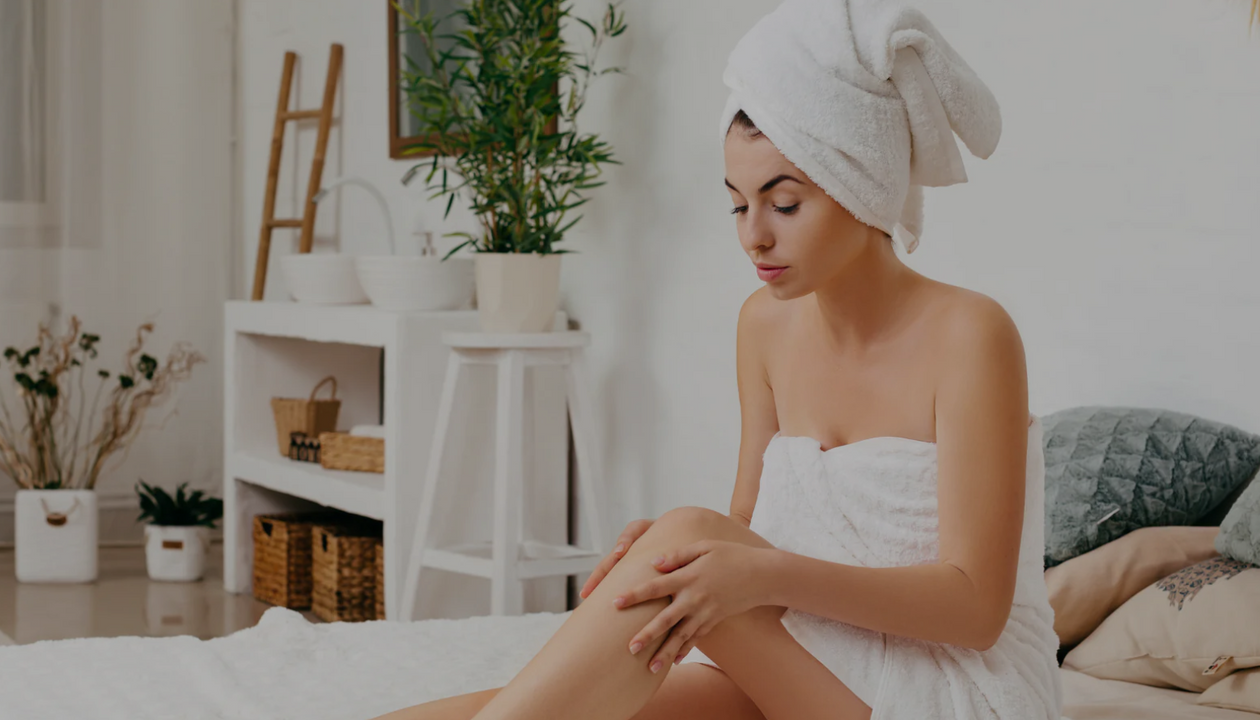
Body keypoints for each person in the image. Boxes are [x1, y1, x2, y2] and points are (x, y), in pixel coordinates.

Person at [374, 2, 1061, 718]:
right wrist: (688, 562)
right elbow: (748, 524)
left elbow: (975, 610)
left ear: (864, 185)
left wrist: (748, 570)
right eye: (737, 206)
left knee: (691, 538)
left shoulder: (971, 334)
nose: (754, 237)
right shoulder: (763, 325)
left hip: (950, 689)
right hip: (817, 660)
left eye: (784, 203)